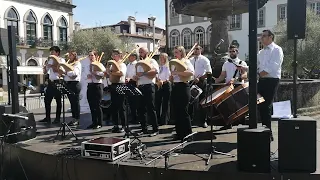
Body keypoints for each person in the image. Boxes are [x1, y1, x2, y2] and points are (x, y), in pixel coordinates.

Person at [257, 29, 283, 141]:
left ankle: (268, 133)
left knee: (266, 104)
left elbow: (273, 66)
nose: (261, 38)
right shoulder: (260, 52)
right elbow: (258, 67)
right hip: (262, 80)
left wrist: (260, 74)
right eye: (261, 36)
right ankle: (264, 129)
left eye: (264, 36)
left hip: (272, 80)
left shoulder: (277, 49)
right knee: (260, 104)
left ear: (270, 37)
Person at [215, 45, 248, 129]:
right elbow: (222, 76)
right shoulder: (226, 63)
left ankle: (242, 124)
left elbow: (244, 75)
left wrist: (237, 78)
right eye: (230, 51)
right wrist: (216, 80)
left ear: (237, 52)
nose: (231, 53)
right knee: (229, 105)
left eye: (233, 51)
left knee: (240, 105)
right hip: (228, 86)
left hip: (239, 86)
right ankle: (229, 124)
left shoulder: (242, 63)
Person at [170, 45, 194, 141]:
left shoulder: (186, 61)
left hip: (184, 86)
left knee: (184, 111)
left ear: (181, 52)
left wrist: (177, 73)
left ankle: (188, 134)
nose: (175, 54)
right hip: (175, 86)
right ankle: (179, 133)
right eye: (174, 52)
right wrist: (171, 77)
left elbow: (191, 73)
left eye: (176, 52)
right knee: (177, 111)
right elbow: (172, 75)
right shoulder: (174, 63)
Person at [133, 47, 159, 137]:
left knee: (151, 108)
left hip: (149, 86)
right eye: (139, 52)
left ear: (147, 52)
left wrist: (143, 74)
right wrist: (135, 77)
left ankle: (155, 129)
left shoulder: (151, 61)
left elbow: (155, 71)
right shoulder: (138, 63)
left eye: (142, 52)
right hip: (140, 86)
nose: (140, 53)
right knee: (141, 109)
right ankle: (144, 129)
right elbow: (136, 74)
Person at [39, 46, 65, 124]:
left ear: (57, 53)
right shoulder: (49, 60)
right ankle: (47, 117)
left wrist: (53, 66)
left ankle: (57, 118)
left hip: (58, 81)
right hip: (50, 82)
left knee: (58, 101)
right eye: (51, 52)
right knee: (47, 100)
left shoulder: (61, 60)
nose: (51, 53)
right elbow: (45, 71)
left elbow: (62, 71)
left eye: (53, 52)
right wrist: (45, 68)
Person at [189, 45, 212, 128]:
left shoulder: (204, 59)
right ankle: (191, 120)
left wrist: (201, 78)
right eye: (194, 49)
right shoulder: (190, 59)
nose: (195, 50)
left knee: (202, 102)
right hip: (192, 81)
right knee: (191, 101)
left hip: (201, 82)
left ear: (201, 50)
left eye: (197, 49)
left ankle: (203, 121)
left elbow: (209, 72)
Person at [107, 49, 127, 133]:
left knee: (121, 106)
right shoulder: (112, 65)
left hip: (120, 85)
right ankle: (116, 125)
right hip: (113, 85)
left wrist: (111, 72)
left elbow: (121, 73)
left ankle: (124, 125)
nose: (114, 56)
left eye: (116, 54)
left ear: (120, 55)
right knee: (114, 106)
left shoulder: (122, 64)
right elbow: (109, 73)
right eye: (113, 55)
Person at [86, 50, 106, 129]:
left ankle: (99, 123)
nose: (90, 57)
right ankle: (94, 122)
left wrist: (95, 73)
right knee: (91, 105)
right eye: (89, 55)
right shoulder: (88, 66)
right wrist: (88, 76)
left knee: (97, 105)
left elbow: (104, 74)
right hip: (90, 85)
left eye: (92, 55)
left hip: (97, 85)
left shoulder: (99, 64)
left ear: (96, 56)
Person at [64, 51, 82, 126]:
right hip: (69, 84)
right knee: (72, 103)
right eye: (69, 55)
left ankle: (77, 119)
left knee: (75, 102)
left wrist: (66, 72)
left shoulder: (77, 63)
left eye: (70, 55)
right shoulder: (68, 63)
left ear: (74, 56)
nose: (69, 57)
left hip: (75, 84)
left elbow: (74, 74)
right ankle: (73, 118)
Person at [155, 53, 171, 125]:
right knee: (157, 102)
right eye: (160, 57)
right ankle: (157, 119)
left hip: (166, 85)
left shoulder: (168, 67)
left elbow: (169, 77)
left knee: (165, 103)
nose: (161, 59)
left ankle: (164, 120)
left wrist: (163, 81)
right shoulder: (159, 67)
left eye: (163, 58)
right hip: (159, 85)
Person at [125, 53, 138, 124]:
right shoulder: (128, 65)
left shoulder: (136, 64)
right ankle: (133, 117)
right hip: (128, 83)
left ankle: (137, 118)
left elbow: (136, 74)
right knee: (130, 102)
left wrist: (131, 78)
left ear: (134, 57)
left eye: (129, 56)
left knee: (135, 101)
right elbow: (127, 74)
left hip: (134, 83)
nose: (128, 57)